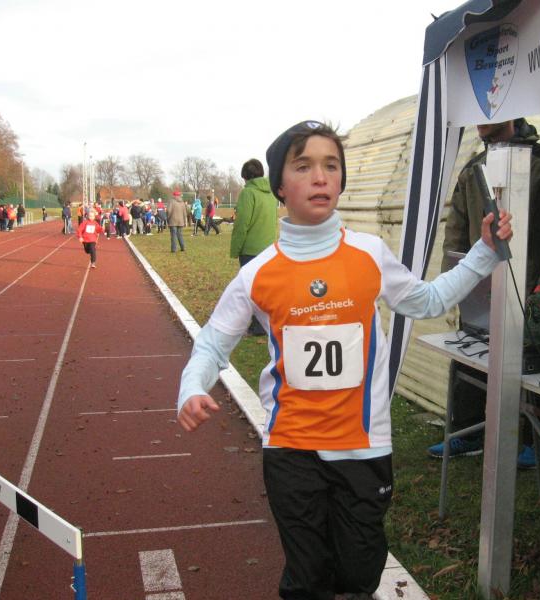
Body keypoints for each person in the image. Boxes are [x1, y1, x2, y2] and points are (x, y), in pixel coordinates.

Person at [176, 121, 511, 600]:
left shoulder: (369, 254)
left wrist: (484, 252)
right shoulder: (257, 274)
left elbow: (430, 300)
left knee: (358, 575)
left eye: (331, 166)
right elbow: (211, 345)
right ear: (279, 186)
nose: (320, 177)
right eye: (303, 166)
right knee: (307, 579)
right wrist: (191, 388)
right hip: (291, 450)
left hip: (363, 448)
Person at [427, 118, 540, 468]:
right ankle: (469, 432)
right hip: (482, 285)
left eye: (491, 111)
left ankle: (537, 437)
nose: (481, 119)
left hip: (531, 285)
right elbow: (456, 229)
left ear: (511, 113)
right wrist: (454, 283)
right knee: (470, 354)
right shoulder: (473, 169)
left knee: (531, 361)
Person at [230, 158, 277, 335]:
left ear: (246, 176)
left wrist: (235, 249)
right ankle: (264, 323)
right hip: (268, 247)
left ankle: (257, 326)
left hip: (251, 249)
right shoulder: (271, 194)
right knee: (264, 288)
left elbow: (242, 224)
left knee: (250, 289)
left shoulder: (248, 193)